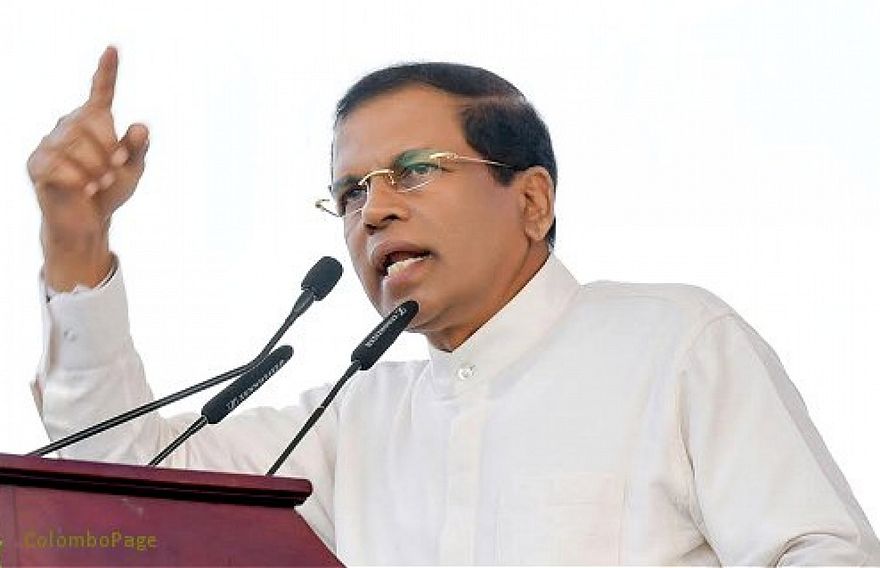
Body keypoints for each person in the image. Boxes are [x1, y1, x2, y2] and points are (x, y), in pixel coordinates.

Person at [27, 46, 880, 565]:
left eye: (415, 170)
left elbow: (821, 553)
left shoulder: (677, 345)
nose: (374, 210)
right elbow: (121, 477)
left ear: (532, 200)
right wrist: (76, 241)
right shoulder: (351, 420)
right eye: (351, 192)